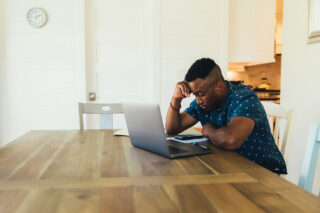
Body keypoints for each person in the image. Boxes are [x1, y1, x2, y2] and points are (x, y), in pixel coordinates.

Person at [165, 58, 287, 174]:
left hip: (264, 171)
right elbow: (172, 128)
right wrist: (176, 98)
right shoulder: (204, 102)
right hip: (232, 167)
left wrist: (208, 130)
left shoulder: (244, 98)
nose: (198, 101)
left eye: (200, 94)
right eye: (195, 95)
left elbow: (230, 140)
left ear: (218, 86)